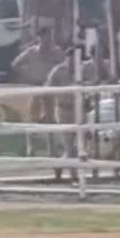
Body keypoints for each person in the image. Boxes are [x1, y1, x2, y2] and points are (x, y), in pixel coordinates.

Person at [45, 49, 103, 182]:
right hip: (63, 110)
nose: (74, 61)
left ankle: (59, 165)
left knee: (82, 143)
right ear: (66, 57)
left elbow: (92, 83)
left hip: (80, 109)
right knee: (69, 144)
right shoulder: (58, 70)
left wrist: (91, 87)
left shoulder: (83, 70)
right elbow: (47, 87)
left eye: (77, 58)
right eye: (71, 57)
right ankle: (74, 177)